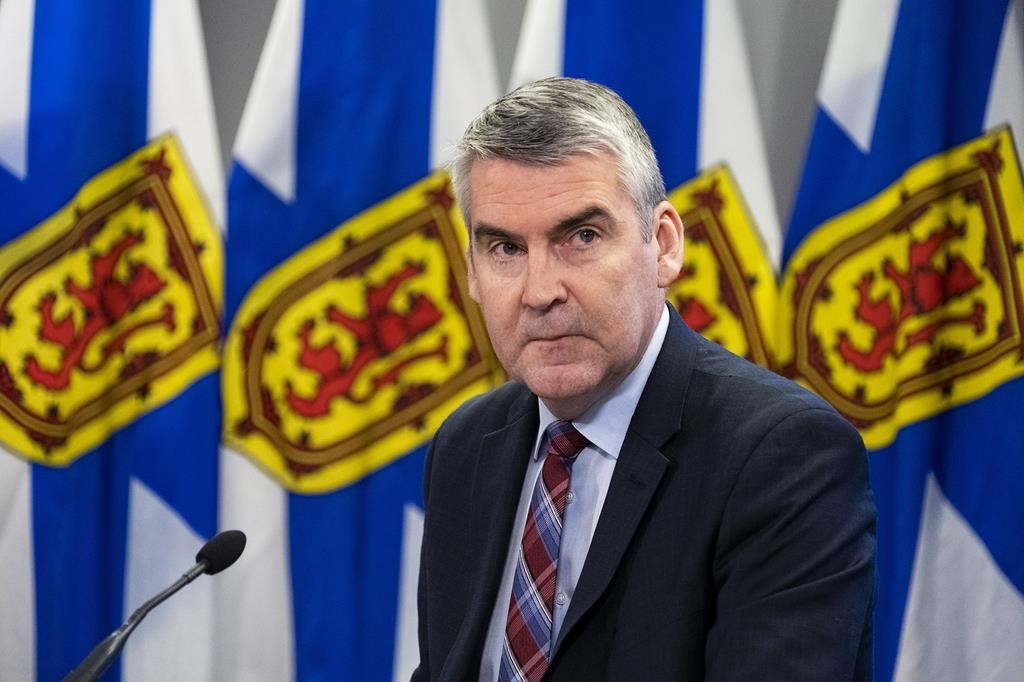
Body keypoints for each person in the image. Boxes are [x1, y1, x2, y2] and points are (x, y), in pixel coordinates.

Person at [414, 77, 875, 681]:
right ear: (471, 271)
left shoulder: (783, 456)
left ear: (663, 245)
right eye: (505, 249)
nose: (540, 292)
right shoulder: (466, 444)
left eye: (580, 237)